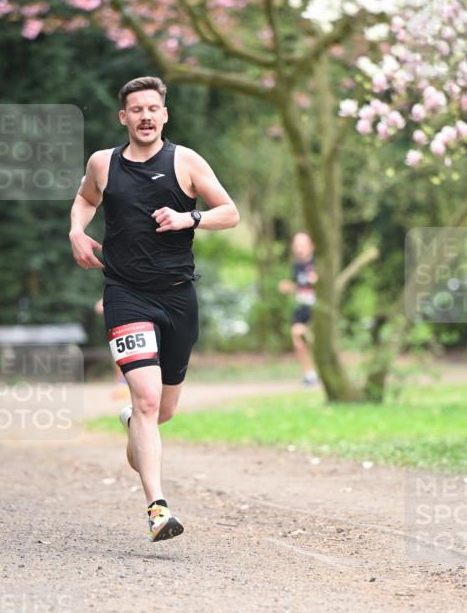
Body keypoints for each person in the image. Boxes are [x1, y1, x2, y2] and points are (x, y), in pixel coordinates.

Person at [69, 76, 240, 542]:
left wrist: (191, 217)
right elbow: (86, 199)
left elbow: (230, 211)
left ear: (164, 115)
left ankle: (133, 426)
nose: (145, 116)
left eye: (153, 109)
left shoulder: (184, 161)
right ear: (123, 117)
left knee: (158, 414)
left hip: (178, 297)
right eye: (136, 109)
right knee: (144, 400)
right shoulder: (103, 163)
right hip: (125, 294)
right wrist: (76, 231)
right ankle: (157, 507)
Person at [278, 231, 318, 386]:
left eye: (302, 245)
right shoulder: (296, 266)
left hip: (316, 308)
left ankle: (317, 372)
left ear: (311, 246)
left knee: (310, 339)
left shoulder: (318, 263)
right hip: (301, 307)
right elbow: (300, 287)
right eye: (296, 245)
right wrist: (289, 287)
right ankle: (310, 374)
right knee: (297, 338)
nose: (299, 249)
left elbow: (319, 284)